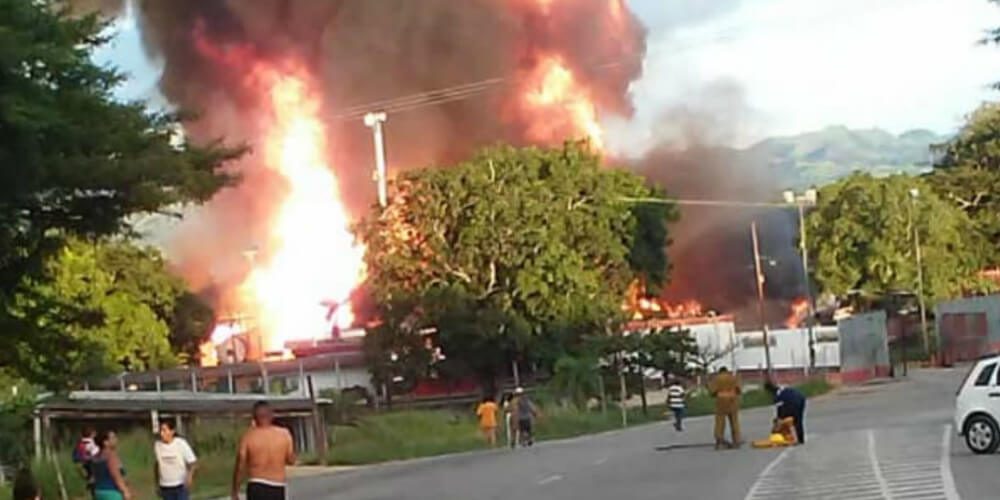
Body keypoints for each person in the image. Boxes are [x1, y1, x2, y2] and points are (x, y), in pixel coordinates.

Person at [232, 401, 296, 500]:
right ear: (271, 415)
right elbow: (291, 460)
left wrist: (235, 490)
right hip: (277, 486)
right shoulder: (284, 434)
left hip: (256, 485)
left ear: (254, 417)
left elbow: (240, 465)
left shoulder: (248, 436)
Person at [154, 420, 198, 500]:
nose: (162, 434)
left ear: (172, 431)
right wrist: (157, 484)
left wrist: (189, 476)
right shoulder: (158, 445)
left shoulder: (180, 443)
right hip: (166, 486)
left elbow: (193, 462)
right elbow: (157, 465)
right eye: (161, 430)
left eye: (164, 430)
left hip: (180, 485)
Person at [91, 430, 133, 500]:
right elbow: (116, 475)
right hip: (112, 492)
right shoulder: (111, 455)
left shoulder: (96, 456)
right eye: (113, 438)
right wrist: (125, 491)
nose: (116, 439)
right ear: (105, 442)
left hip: (99, 491)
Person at [708, 367, 742, 450]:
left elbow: (712, 391)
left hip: (721, 401)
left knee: (720, 422)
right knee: (734, 421)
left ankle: (719, 441)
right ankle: (736, 441)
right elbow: (739, 390)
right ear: (727, 371)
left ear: (720, 372)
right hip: (732, 401)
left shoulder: (716, 379)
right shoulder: (733, 378)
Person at [73, 426, 100, 498]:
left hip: (82, 464)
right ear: (91, 434)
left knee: (89, 477)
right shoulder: (90, 442)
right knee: (94, 478)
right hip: (90, 463)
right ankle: (91, 484)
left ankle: (90, 483)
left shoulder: (80, 442)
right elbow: (95, 453)